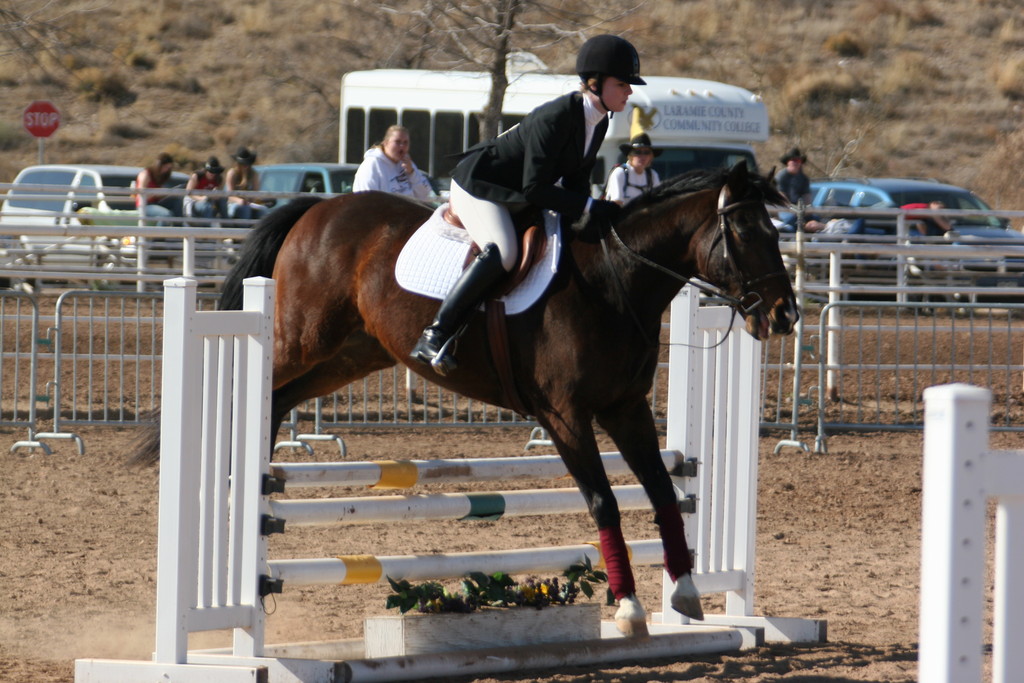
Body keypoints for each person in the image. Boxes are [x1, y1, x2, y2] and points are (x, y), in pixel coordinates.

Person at [409, 34, 643, 374]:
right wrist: (590, 207)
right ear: (594, 83)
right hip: (481, 185)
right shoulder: (556, 117)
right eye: (622, 83)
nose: (629, 91)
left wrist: (591, 211)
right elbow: (535, 187)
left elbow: (576, 178)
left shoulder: (600, 120)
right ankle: (435, 333)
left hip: (515, 191)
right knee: (503, 251)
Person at [353, 125, 435, 200]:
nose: (402, 146)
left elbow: (425, 195)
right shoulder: (372, 165)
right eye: (398, 142)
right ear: (385, 143)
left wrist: (412, 173)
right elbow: (366, 200)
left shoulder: (408, 165)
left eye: (405, 142)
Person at [774, 147, 825, 232]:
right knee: (791, 221)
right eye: (793, 160)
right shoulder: (781, 176)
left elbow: (807, 198)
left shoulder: (804, 178)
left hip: (800, 209)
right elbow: (782, 198)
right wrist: (795, 211)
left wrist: (806, 210)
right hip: (784, 209)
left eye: (798, 160)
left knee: (815, 219)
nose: (796, 163)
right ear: (788, 162)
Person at [604, 133, 661, 205]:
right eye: (638, 152)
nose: (642, 156)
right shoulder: (620, 173)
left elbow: (658, 202)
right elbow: (616, 203)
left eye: (646, 152)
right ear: (630, 156)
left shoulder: (652, 175)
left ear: (651, 157)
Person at [135, 152, 182, 222]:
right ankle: (160, 233)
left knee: (176, 200)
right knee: (166, 215)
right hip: (145, 204)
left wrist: (166, 193)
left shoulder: (159, 177)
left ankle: (179, 226)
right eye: (165, 167)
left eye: (169, 168)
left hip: (156, 203)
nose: (166, 170)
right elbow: (141, 193)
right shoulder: (145, 174)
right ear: (159, 165)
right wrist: (156, 193)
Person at [225, 146, 268, 221]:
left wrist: (252, 199)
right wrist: (240, 201)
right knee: (245, 209)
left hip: (250, 203)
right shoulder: (232, 173)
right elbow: (230, 195)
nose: (245, 166)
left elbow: (255, 192)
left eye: (247, 163)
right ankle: (244, 231)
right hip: (234, 203)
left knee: (263, 211)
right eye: (243, 163)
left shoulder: (253, 174)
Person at [183, 156, 227, 223]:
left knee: (223, 200)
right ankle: (207, 229)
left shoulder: (218, 179)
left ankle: (226, 223)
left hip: (211, 202)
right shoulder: (197, 176)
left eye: (214, 172)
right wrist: (203, 198)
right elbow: (189, 193)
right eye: (210, 171)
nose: (212, 174)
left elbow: (220, 195)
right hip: (195, 202)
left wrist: (216, 195)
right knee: (206, 206)